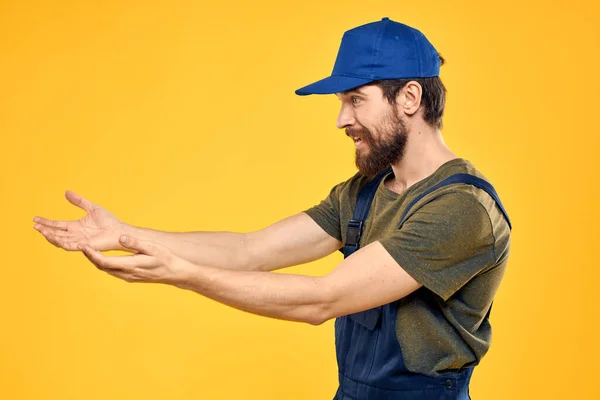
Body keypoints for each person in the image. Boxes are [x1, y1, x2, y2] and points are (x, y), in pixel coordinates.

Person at [33, 18, 511, 400]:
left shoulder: (460, 208)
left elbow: (321, 299)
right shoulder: (363, 193)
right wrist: (126, 235)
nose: (342, 119)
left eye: (355, 100)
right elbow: (250, 250)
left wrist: (182, 274)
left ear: (409, 97)